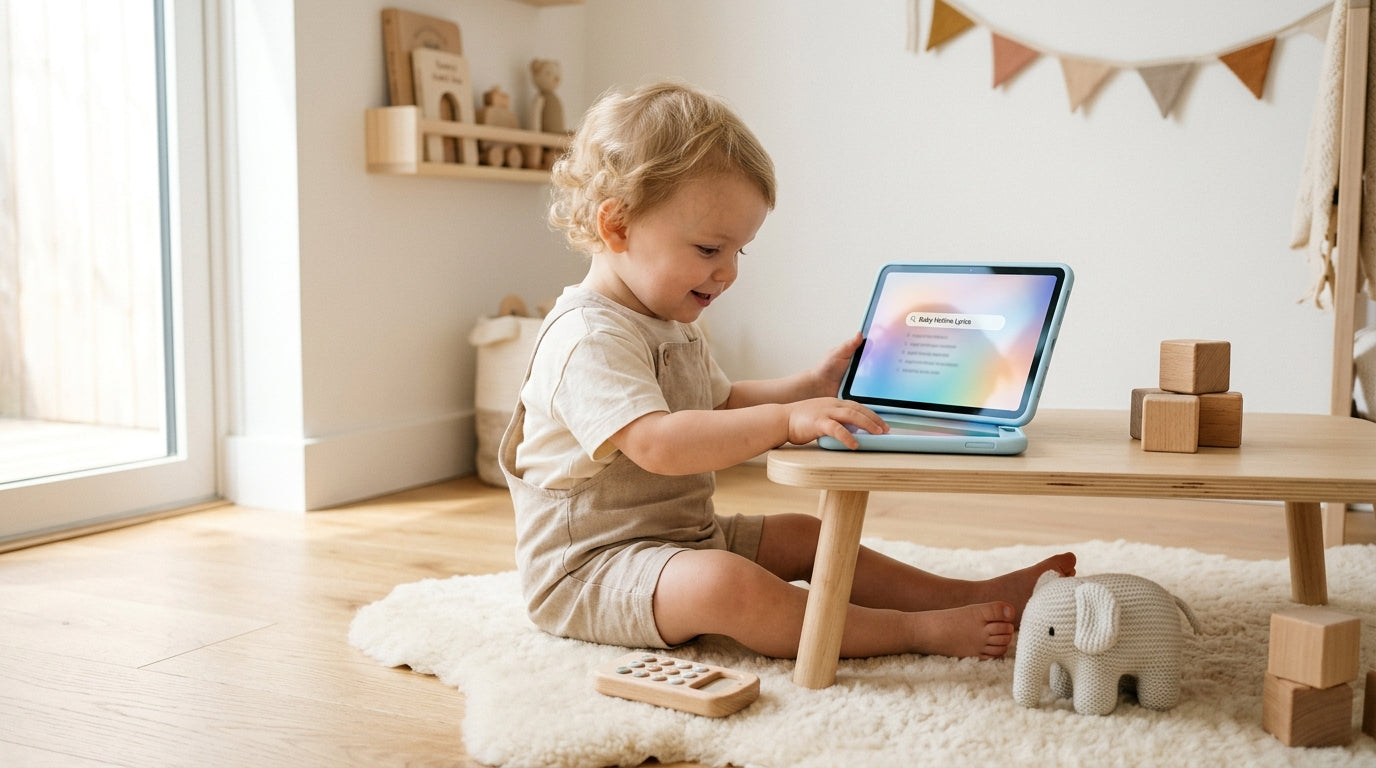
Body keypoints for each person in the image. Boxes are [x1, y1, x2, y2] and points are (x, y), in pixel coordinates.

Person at [499, 80, 1075, 661]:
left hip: (683, 537)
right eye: (709, 250)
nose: (728, 273)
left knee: (806, 534)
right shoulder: (587, 338)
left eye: (738, 252)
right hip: (591, 572)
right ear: (617, 225)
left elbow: (719, 407)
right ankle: (913, 633)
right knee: (726, 584)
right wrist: (785, 420)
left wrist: (808, 389)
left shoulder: (668, 320)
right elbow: (658, 444)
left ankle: (966, 594)